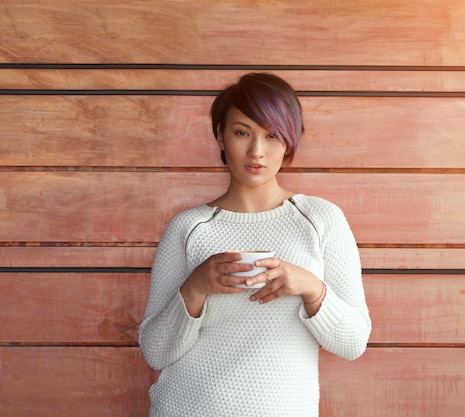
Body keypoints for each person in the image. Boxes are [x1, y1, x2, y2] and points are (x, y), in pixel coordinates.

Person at [138, 73, 371, 417]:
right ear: (220, 135)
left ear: (290, 141)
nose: (256, 151)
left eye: (272, 135)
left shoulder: (321, 220)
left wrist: (312, 290)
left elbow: (352, 344)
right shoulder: (188, 228)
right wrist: (195, 289)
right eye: (242, 132)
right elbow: (155, 353)